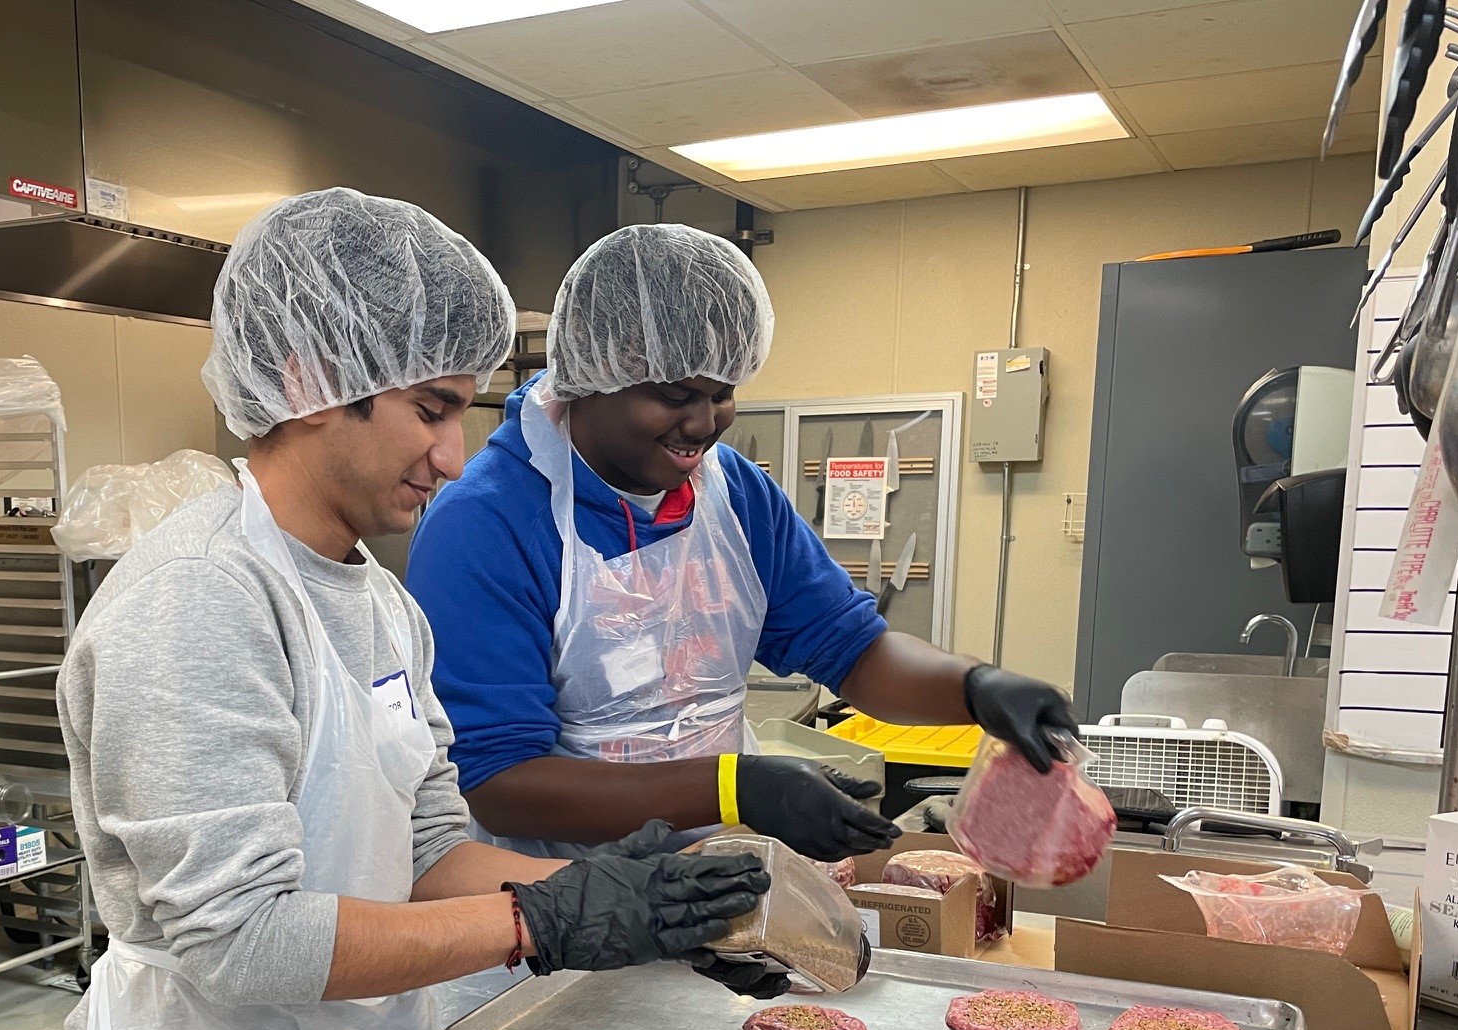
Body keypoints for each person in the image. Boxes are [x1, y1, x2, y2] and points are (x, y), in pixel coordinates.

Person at [58, 190, 770, 1030]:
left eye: (464, 416)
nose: (449, 455)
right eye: (431, 408)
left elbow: (431, 845)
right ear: (309, 380)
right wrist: (544, 920)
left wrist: (643, 910)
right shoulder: (201, 598)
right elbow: (243, 938)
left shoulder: (378, 602)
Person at [405, 222, 1080, 889]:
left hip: (716, 894)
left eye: (722, 392)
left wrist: (974, 688)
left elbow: (850, 648)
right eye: (674, 396)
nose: (703, 424)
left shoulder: (733, 496)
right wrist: (733, 788)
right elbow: (497, 781)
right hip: (555, 920)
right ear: (591, 376)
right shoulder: (487, 521)